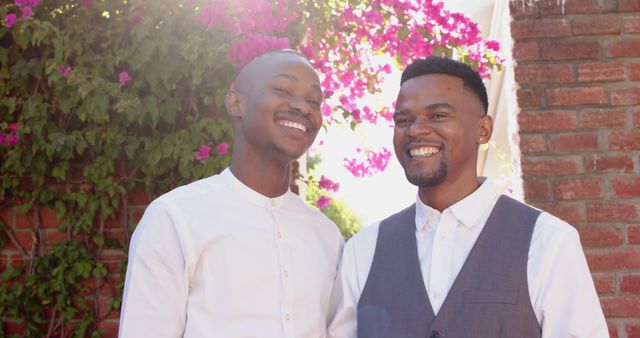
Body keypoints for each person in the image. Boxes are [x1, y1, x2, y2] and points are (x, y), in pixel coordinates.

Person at [328, 56, 607, 338]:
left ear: (483, 130)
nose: (416, 129)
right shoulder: (363, 250)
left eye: (438, 115)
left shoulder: (547, 241)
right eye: (404, 120)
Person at [119, 50, 344, 337]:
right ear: (235, 103)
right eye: (282, 89)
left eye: (314, 101)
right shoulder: (176, 218)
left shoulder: (327, 236)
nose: (303, 107)